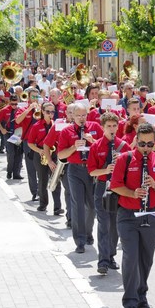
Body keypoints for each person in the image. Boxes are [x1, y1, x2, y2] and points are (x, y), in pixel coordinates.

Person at [110, 123, 155, 308]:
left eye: (149, 144)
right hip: (128, 214)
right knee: (130, 256)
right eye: (142, 144)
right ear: (136, 140)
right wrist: (132, 193)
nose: (145, 148)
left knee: (146, 259)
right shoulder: (124, 159)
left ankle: (141, 295)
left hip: (151, 214)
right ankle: (130, 301)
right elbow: (115, 185)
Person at [88, 112, 131, 275]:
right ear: (102, 127)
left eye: (114, 126)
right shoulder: (96, 146)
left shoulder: (124, 146)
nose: (112, 129)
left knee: (115, 225)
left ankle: (111, 256)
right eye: (109, 126)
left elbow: (131, 169)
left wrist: (121, 164)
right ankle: (103, 260)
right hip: (102, 186)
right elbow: (91, 171)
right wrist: (106, 170)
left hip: (118, 188)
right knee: (103, 223)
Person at [58, 102, 103, 253]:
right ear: (73, 116)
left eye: (84, 115)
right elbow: (61, 155)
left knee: (91, 206)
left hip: (92, 170)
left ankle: (88, 233)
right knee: (77, 205)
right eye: (78, 116)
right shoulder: (66, 131)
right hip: (75, 169)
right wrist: (73, 147)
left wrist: (93, 142)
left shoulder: (95, 127)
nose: (81, 118)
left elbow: (105, 147)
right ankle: (80, 241)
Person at [27, 102, 63, 215]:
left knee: (56, 179)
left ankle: (57, 207)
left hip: (53, 153)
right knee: (43, 180)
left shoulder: (56, 125)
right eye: (48, 112)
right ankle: (43, 204)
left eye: (53, 112)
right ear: (42, 112)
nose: (50, 114)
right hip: (40, 154)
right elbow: (30, 143)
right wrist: (40, 151)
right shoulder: (36, 126)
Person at [15, 88, 41, 201]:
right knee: (31, 168)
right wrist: (28, 110)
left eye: (37, 96)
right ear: (29, 97)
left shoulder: (41, 108)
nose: (35, 99)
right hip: (27, 142)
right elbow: (17, 121)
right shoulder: (23, 108)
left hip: (40, 142)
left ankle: (41, 191)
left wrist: (40, 110)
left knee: (42, 168)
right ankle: (35, 192)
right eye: (33, 96)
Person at [0, 95, 23, 179]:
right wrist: (2, 129)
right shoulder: (4, 110)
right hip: (8, 133)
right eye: (12, 104)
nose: (14, 105)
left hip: (18, 133)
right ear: (9, 102)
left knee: (18, 154)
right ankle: (9, 171)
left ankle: (16, 173)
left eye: (16, 104)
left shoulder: (21, 110)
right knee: (11, 153)